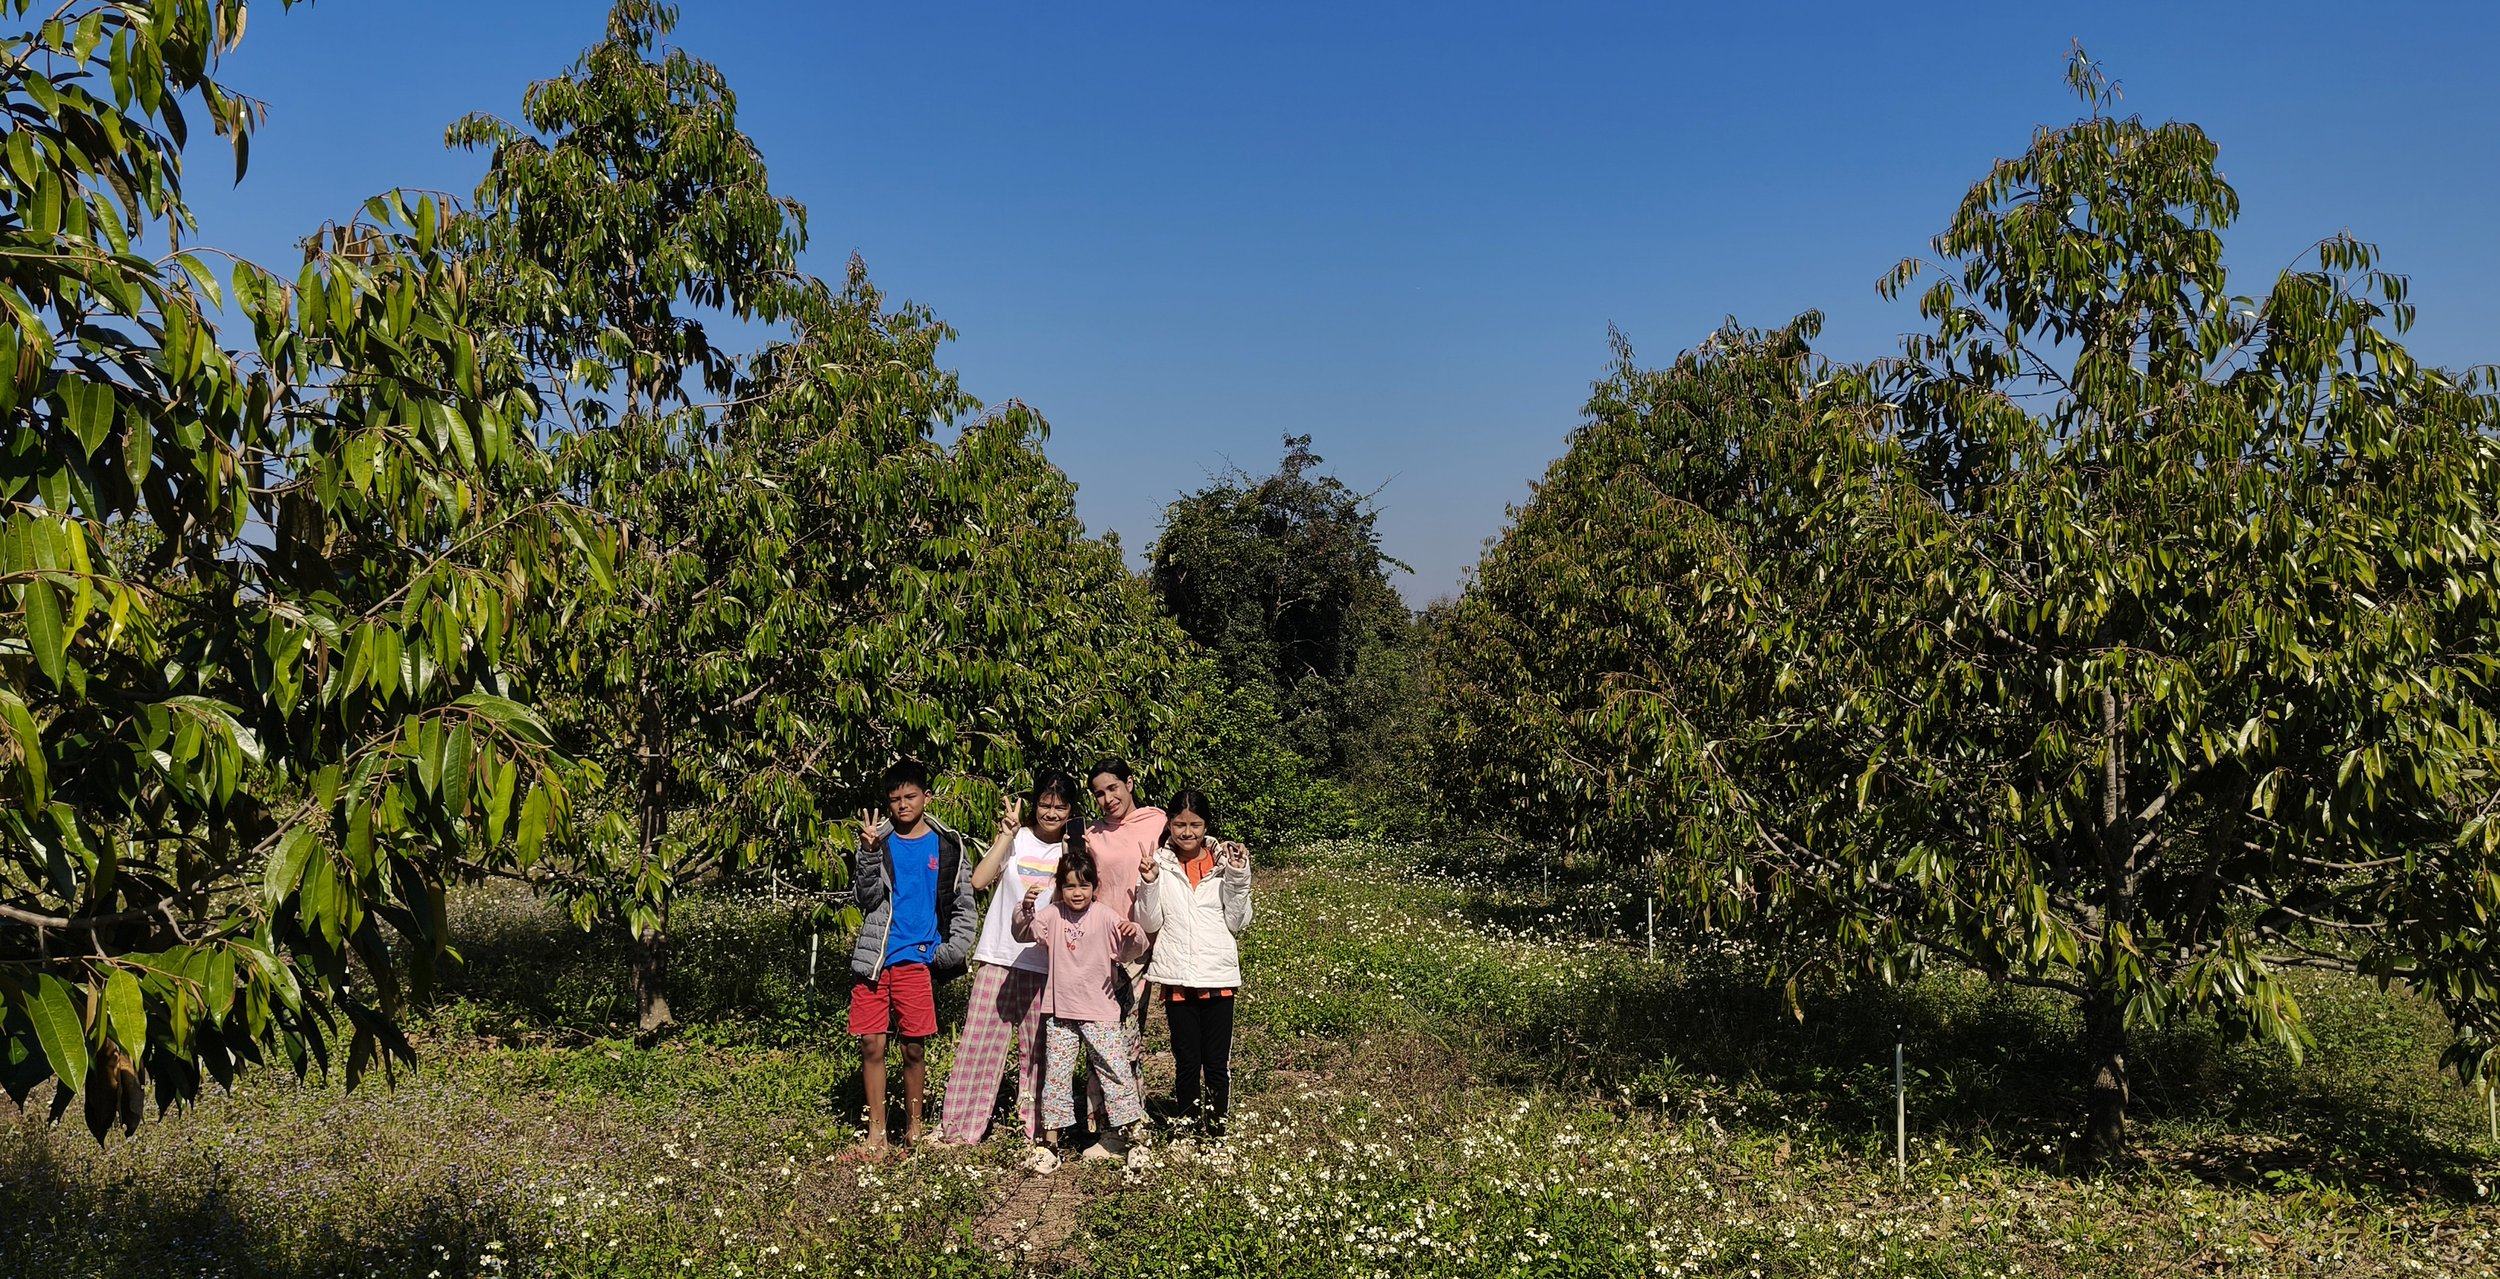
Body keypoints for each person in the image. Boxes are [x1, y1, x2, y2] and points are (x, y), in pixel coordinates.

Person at [935, 773, 1083, 1146]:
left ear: (1071, 811)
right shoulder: (1018, 839)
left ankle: (1037, 1132)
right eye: (1045, 804)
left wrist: (1071, 851)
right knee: (979, 1044)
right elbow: (980, 880)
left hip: (1046, 962)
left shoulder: (1072, 849)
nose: (1051, 813)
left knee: (1039, 1051)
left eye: (1060, 806)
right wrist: (1005, 835)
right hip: (999, 954)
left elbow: (1076, 899)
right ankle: (960, 1129)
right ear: (1035, 805)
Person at [847, 760, 978, 1154]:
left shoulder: (948, 845)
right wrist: (868, 854)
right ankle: (876, 1134)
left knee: (913, 1047)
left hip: (916, 960)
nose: (902, 805)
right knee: (872, 1044)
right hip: (875, 959)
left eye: (910, 797)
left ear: (926, 797)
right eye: (894, 799)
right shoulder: (878, 841)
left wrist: (952, 950)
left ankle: (914, 1129)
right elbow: (865, 898)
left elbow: (963, 902)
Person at [1013, 846, 1150, 1172]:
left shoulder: (1104, 916)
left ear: (1094, 887)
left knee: (1116, 1074)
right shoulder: (1053, 915)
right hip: (1060, 1012)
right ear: (1061, 887)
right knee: (1056, 1078)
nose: (1077, 892)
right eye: (1070, 886)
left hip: (1100, 1012)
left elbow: (1133, 949)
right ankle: (1050, 1145)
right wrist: (1027, 908)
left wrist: (1135, 932)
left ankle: (1136, 1140)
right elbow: (1022, 933)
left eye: (1084, 886)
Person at [1135, 790, 1252, 1136]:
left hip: (1218, 976)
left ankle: (1216, 1132)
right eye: (1180, 824)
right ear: (1169, 824)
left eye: (1195, 825)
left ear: (1206, 825)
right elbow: (1150, 921)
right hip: (1178, 978)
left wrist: (1238, 876)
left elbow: (1238, 921)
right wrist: (1150, 881)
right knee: (1187, 1062)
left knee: (1216, 1063)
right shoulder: (1158, 863)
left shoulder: (1225, 864)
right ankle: (1184, 1130)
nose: (1187, 832)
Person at [1080, 759, 1166, 1150]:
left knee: (1125, 1033)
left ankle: (1129, 1125)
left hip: (1140, 947)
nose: (1107, 798)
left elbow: (1191, 838)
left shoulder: (1156, 820)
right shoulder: (1091, 835)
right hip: (1100, 946)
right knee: (1100, 1033)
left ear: (1130, 784)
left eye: (1113, 787)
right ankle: (1107, 1123)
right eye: (1099, 793)